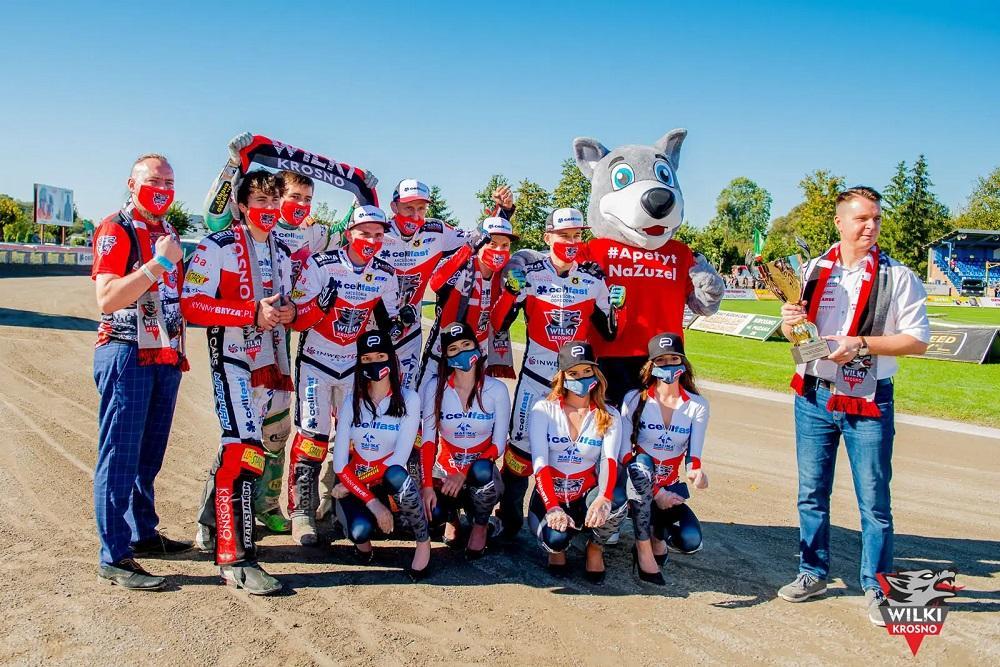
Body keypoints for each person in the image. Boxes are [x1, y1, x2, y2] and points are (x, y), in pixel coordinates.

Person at [776, 186, 930, 627]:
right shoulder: (812, 270)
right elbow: (797, 336)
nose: (871, 226)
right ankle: (812, 572)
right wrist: (789, 323)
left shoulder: (898, 276)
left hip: (869, 397)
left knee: (874, 500)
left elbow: (917, 340)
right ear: (839, 222)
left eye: (876, 219)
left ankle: (878, 587)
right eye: (861, 218)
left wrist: (860, 343)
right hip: (814, 394)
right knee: (811, 493)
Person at [181, 169, 296, 594]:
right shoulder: (218, 245)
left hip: (270, 361)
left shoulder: (283, 250)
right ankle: (236, 560)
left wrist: (290, 313)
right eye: (261, 201)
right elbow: (192, 304)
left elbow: (288, 305)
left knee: (242, 445)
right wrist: (249, 312)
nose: (269, 209)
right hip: (231, 356)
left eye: (275, 201)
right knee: (244, 449)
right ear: (242, 205)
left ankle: (211, 525)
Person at [91, 153, 192, 590]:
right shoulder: (116, 228)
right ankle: (114, 555)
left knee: (148, 455)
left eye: (169, 182)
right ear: (132, 184)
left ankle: (141, 533)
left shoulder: (168, 232)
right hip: (126, 351)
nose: (163, 189)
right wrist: (159, 264)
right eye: (154, 181)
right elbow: (107, 298)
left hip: (164, 354)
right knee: (120, 456)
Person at [493, 208, 625, 540]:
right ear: (547, 237)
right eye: (564, 235)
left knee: (574, 453)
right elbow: (498, 324)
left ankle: (571, 514)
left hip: (575, 386)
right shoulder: (530, 274)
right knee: (519, 454)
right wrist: (510, 293)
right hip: (535, 380)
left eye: (577, 236)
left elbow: (609, 333)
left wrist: (617, 307)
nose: (571, 242)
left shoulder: (593, 279)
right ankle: (508, 520)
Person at [287, 205, 402, 546]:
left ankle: (339, 503)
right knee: (313, 435)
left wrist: (399, 322)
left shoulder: (385, 272)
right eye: (364, 233)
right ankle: (301, 512)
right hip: (317, 362)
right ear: (350, 233)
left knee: (352, 437)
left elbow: (389, 323)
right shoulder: (320, 264)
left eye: (378, 235)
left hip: (353, 366)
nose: (371, 240)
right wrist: (318, 307)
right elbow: (296, 321)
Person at [379, 181, 514, 389]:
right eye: (408, 208)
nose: (415, 215)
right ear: (394, 206)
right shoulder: (377, 233)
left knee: (407, 392)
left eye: (421, 208)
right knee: (363, 389)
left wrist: (503, 212)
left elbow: (478, 238)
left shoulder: (437, 231)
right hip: (374, 324)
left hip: (410, 328)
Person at [329, 330, 430, 579]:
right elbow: (340, 466)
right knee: (360, 532)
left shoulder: (409, 399)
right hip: (356, 486)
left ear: (391, 359)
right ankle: (364, 533)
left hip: (386, 483)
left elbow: (398, 459)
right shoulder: (352, 401)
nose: (374, 363)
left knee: (397, 474)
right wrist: (371, 502)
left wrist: (353, 483)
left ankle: (423, 542)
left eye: (380, 356)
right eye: (367, 358)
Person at [527, 341, 628, 583]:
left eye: (586, 371)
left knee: (617, 501)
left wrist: (603, 497)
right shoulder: (544, 408)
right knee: (555, 541)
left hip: (585, 494)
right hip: (550, 495)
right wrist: (552, 506)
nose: (581, 378)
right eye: (573, 373)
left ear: (596, 373)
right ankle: (558, 547)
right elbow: (539, 462)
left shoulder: (609, 414)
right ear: (562, 376)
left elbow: (610, 460)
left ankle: (595, 547)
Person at [619, 332, 709, 586]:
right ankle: (643, 549)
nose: (668, 365)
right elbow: (624, 454)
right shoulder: (634, 399)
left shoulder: (698, 405)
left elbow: (694, 458)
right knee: (642, 465)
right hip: (635, 482)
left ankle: (657, 536)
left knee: (690, 540)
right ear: (651, 365)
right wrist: (656, 491)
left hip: (669, 489)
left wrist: (697, 474)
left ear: (683, 362)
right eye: (661, 360)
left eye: (674, 359)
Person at [419, 321, 510, 557]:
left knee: (483, 473)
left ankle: (480, 525)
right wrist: (427, 486)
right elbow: (428, 441)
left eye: (466, 344)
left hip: (479, 469)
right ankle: (451, 518)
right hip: (445, 469)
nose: (461, 351)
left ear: (477, 348)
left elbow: (498, 445)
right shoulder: (435, 387)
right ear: (446, 357)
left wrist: (464, 472)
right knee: (433, 514)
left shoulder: (497, 390)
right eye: (453, 348)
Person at [418, 215, 519, 389]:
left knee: (472, 402)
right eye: (492, 243)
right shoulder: (464, 264)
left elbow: (497, 323)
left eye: (505, 245)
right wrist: (468, 248)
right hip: (443, 350)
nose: (499, 250)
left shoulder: (505, 275)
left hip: (478, 353)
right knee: (426, 399)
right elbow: (436, 283)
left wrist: (511, 293)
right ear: (480, 243)